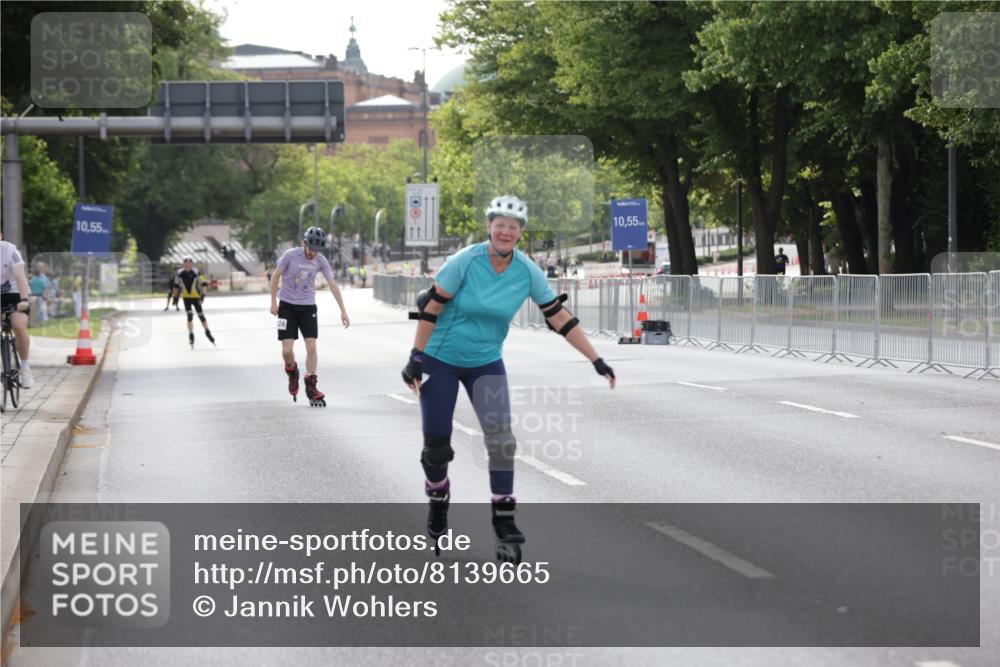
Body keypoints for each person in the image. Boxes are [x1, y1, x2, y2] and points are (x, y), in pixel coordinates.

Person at [401, 195, 616, 563]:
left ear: (520, 234)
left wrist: (596, 359)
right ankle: (438, 498)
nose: (505, 232)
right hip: (441, 358)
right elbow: (431, 307)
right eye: (499, 225)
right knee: (436, 448)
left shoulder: (526, 271)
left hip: (485, 361)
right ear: (489, 227)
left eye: (512, 228)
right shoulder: (464, 262)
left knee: (501, 440)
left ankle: (504, 521)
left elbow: (558, 317)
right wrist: (416, 357)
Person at [270, 227, 350, 407]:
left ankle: (311, 385)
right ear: (304, 244)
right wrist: (273, 302)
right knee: (287, 351)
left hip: (307, 306)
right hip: (286, 306)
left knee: (311, 347)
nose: (314, 253)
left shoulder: (321, 260)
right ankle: (292, 372)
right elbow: (275, 277)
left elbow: (333, 284)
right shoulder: (290, 255)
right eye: (311, 249)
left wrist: (343, 310)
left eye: (317, 250)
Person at [1, 236, 34, 388]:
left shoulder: (10, 250)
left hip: (15, 294)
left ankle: (25, 368)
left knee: (19, 325)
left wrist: (24, 300)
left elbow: (21, 277)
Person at [172, 256, 215, 348]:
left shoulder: (197, 272)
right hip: (186, 297)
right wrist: (175, 297)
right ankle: (191, 334)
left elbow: (204, 284)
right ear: (183, 264)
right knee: (190, 316)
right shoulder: (179, 273)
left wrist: (203, 296)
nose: (187, 265)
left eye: (189, 263)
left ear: (192, 264)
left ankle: (207, 331)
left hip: (196, 297)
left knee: (201, 316)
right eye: (185, 263)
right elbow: (176, 285)